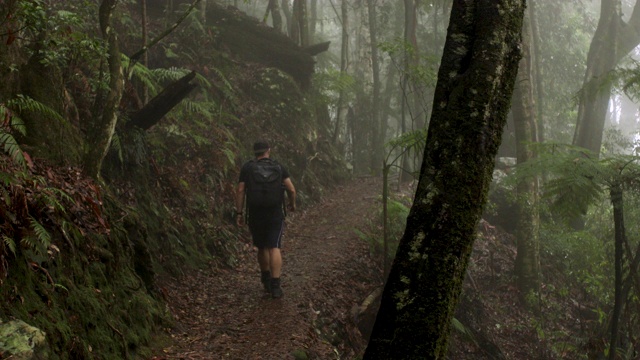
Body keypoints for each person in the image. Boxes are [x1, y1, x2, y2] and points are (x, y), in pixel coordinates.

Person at [235, 141, 296, 298]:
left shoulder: (247, 168)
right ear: (269, 150)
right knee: (274, 246)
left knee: (262, 247)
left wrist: (239, 213)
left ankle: (266, 278)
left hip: (255, 213)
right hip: (274, 212)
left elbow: (241, 190)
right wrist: (292, 204)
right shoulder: (279, 167)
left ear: (255, 152)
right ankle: (276, 286)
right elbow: (291, 189)